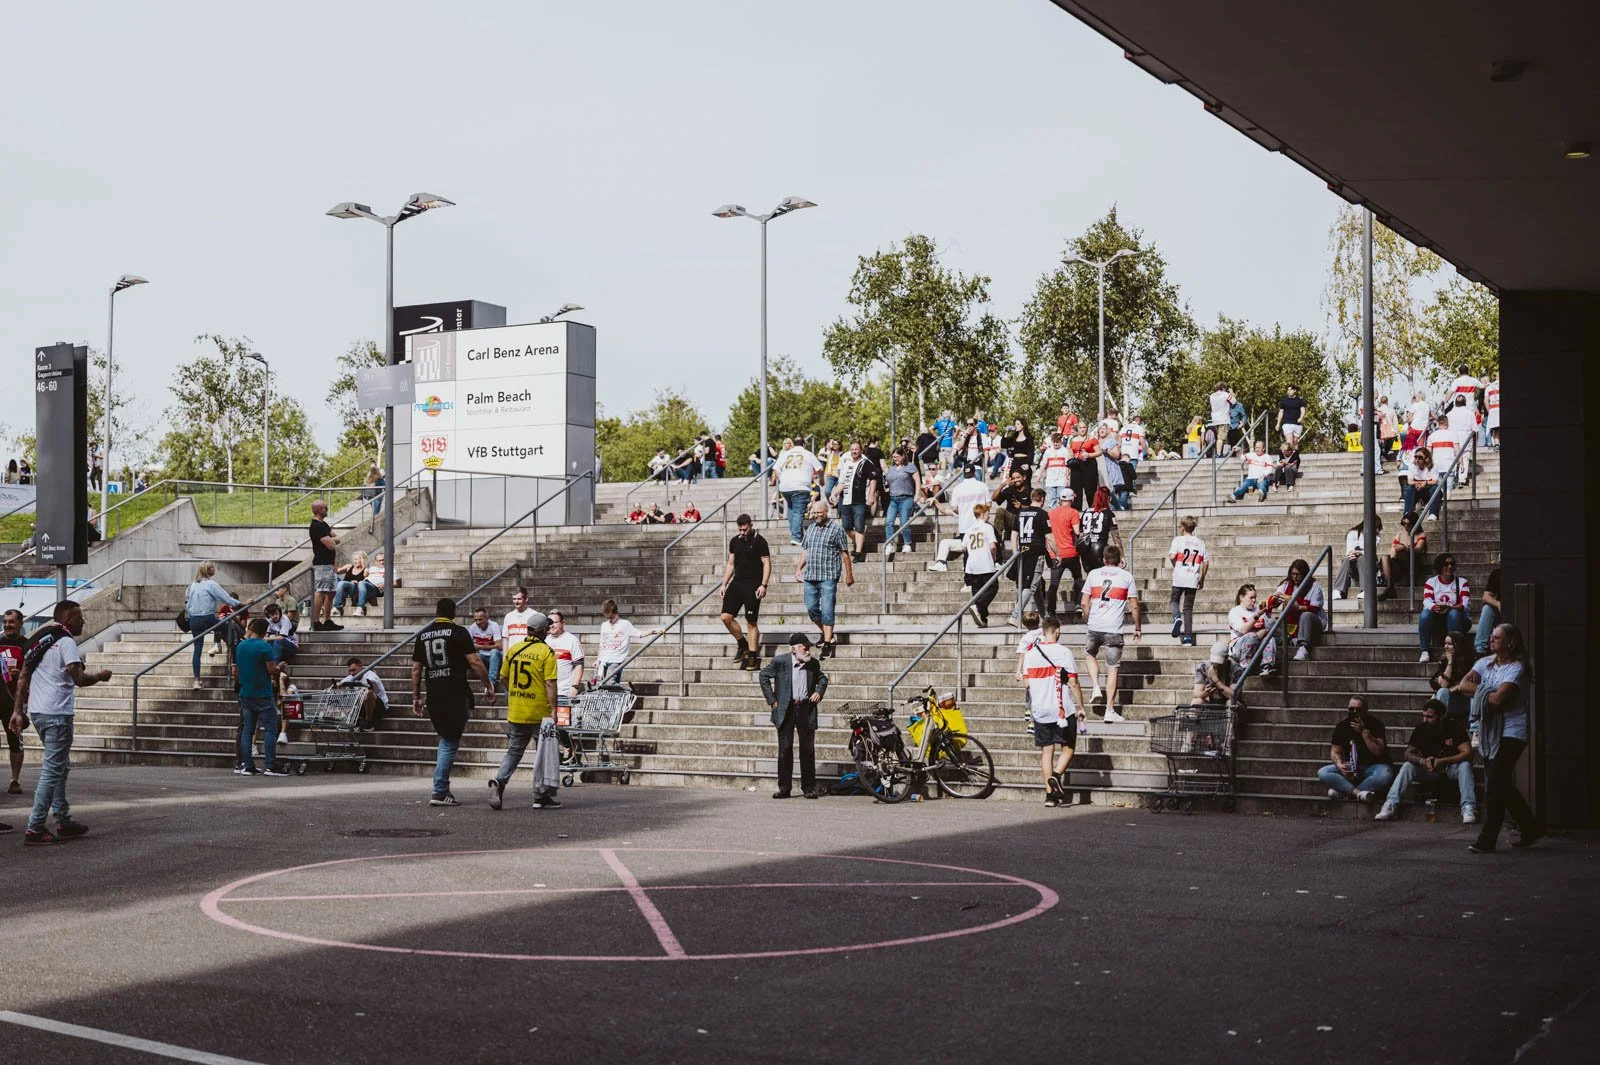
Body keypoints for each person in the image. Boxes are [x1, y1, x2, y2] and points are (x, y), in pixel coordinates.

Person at [10, 600, 111, 845]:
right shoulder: (65, 641)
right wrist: (100, 676)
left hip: (39, 713)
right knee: (52, 771)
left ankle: (63, 820)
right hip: (57, 714)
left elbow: (23, 675)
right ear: (66, 619)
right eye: (79, 617)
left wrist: (18, 711)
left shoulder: (40, 640)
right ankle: (35, 827)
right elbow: (79, 679)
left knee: (60, 768)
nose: (83, 621)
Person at [1459, 623, 1545, 853]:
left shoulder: (1517, 669)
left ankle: (1487, 840)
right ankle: (1531, 827)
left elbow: (1499, 700)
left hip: (1512, 732)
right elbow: (1462, 685)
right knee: (1502, 784)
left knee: (1495, 785)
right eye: (1491, 637)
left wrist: (1480, 692)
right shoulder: (1484, 663)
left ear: (1510, 642)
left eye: (1497, 637)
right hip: (1489, 732)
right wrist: (1487, 692)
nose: (1491, 640)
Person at [410, 597, 491, 807]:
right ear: (453, 613)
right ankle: (439, 790)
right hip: (455, 692)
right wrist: (488, 684)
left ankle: (441, 788)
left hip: (434, 694)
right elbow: (475, 661)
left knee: (446, 739)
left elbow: (416, 669)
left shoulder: (423, 635)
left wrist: (416, 696)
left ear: (437, 613)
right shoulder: (458, 632)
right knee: (449, 741)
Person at [490, 610, 562, 811]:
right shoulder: (546, 652)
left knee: (514, 751)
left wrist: (513, 692)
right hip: (540, 712)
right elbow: (550, 683)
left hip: (517, 710)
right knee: (543, 754)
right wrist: (554, 710)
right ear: (542, 632)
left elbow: (503, 676)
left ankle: (499, 781)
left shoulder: (514, 649)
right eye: (546, 629)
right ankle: (540, 795)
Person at [1372, 698, 1477, 822]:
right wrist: (1422, 761)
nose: (1425, 720)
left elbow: (1468, 752)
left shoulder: (1454, 727)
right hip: (1428, 769)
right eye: (1424, 716)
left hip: (1450, 768)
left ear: (1441, 716)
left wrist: (1443, 761)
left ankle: (1468, 807)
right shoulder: (1421, 728)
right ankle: (1390, 804)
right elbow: (1408, 753)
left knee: (1464, 766)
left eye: (1430, 717)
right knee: (1407, 766)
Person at [1022, 616, 1086, 807]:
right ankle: (1056, 776)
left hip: (1040, 709)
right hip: (1062, 710)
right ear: (1057, 631)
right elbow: (1073, 682)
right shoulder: (1063, 652)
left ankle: (1050, 797)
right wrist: (1081, 706)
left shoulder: (1031, 653)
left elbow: (1026, 683)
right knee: (1068, 746)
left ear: (1043, 631)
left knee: (1046, 751)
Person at [758, 633, 829, 799]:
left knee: (807, 750)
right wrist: (772, 700)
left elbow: (823, 678)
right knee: (785, 749)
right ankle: (784, 788)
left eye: (808, 648)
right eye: (804, 648)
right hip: (786, 709)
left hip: (805, 708)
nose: (807, 651)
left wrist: (819, 691)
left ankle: (809, 788)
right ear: (794, 649)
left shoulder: (812, 664)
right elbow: (763, 676)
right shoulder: (781, 661)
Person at [1080, 543, 1140, 721]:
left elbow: (1084, 602)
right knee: (1113, 668)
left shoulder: (1093, 574)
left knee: (1090, 653)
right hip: (1114, 628)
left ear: (1104, 559)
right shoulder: (1126, 576)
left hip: (1095, 624)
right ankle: (1110, 710)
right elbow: (1134, 605)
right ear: (1120, 559)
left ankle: (1096, 686)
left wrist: (1087, 617)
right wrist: (1137, 627)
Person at [796, 501, 853, 657]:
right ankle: (828, 634)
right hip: (811, 576)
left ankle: (827, 642)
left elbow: (845, 553)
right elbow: (805, 551)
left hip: (828, 576)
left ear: (826, 512)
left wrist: (849, 574)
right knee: (811, 608)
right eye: (814, 513)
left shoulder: (836, 530)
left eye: (818, 513)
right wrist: (799, 568)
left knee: (827, 609)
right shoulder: (811, 529)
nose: (815, 516)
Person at [232, 618, 287, 777]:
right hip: (262, 693)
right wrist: (280, 668)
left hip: (245, 692)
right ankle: (270, 765)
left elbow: (235, 672)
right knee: (270, 729)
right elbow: (272, 670)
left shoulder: (240, 646)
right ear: (264, 632)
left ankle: (247, 765)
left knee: (248, 730)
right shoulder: (264, 646)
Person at [1315, 696, 1394, 803]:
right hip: (1351, 767)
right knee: (1323, 772)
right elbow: (1335, 751)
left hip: (1373, 767)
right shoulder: (1342, 726)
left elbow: (1378, 751)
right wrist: (1339, 764)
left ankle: (1345, 792)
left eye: (1358, 709)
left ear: (1365, 710)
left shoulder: (1375, 724)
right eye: (1351, 709)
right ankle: (1358, 794)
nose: (1354, 712)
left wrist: (1364, 733)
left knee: (1385, 774)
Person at [719, 514, 772, 671]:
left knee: (751, 621)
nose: (742, 532)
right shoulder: (735, 541)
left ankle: (753, 656)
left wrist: (764, 585)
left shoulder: (760, 541)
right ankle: (742, 643)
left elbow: (767, 564)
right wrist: (724, 584)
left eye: (744, 529)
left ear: (751, 525)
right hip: (737, 583)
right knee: (725, 617)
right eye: (739, 529)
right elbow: (730, 563)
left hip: (753, 585)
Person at [185, 562, 241, 689]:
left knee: (197, 649)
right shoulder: (211, 584)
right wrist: (242, 603)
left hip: (194, 619)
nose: (214, 569)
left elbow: (187, 604)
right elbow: (227, 599)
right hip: (207, 617)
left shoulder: (192, 585)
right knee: (229, 627)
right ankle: (229, 653)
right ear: (207, 570)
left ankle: (197, 681)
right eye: (212, 567)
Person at [927, 465, 991, 572]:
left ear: (963, 474)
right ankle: (941, 563)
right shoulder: (982, 486)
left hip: (968, 532)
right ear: (974, 473)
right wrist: (935, 501)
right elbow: (988, 504)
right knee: (945, 543)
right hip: (977, 532)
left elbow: (953, 508)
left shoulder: (958, 489)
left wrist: (935, 501)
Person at [1267, 558, 1327, 662]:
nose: (1295, 577)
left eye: (1298, 574)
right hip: (1290, 622)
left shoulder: (1314, 586)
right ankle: (1289, 640)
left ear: (1304, 574)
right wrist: (1275, 600)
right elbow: (1274, 604)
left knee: (1305, 616)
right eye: (1293, 574)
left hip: (1311, 620)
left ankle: (1303, 648)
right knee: (1270, 622)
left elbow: (1315, 608)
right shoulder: (1286, 584)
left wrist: (1299, 607)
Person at [829, 440, 880, 562]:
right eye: (852, 449)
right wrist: (834, 493)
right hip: (846, 500)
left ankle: (858, 552)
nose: (854, 451)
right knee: (846, 526)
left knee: (859, 527)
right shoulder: (847, 464)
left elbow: (873, 479)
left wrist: (871, 496)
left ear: (861, 450)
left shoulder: (865, 463)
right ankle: (860, 543)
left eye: (856, 449)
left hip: (859, 501)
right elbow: (841, 482)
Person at [1418, 553, 1470, 663]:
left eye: (1452, 564)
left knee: (1453, 613)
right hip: (1438, 619)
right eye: (1446, 564)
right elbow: (1427, 601)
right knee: (1424, 614)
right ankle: (1424, 650)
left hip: (1459, 620)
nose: (1450, 567)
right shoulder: (1431, 582)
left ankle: (1454, 651)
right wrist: (1435, 607)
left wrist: (1449, 607)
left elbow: (1464, 604)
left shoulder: (1462, 582)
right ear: (1439, 567)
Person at [1011, 489, 1053, 622]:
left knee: (1037, 586)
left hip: (1023, 551)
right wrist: (1057, 554)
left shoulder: (1021, 512)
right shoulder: (1042, 514)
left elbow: (1014, 534)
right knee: (1031, 586)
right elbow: (1049, 537)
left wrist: (1014, 551)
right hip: (1036, 552)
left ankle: (1044, 615)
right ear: (1042, 499)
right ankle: (1015, 615)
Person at [772, 437, 823, 546]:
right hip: (801, 486)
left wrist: (782, 478)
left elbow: (775, 469)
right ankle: (796, 537)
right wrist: (822, 480)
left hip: (785, 487)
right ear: (804, 444)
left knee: (791, 508)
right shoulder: (808, 454)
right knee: (799, 511)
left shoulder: (786, 453)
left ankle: (793, 532)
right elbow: (820, 469)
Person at [958, 502, 1000, 628]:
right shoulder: (987, 527)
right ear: (982, 514)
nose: (989, 516)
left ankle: (983, 618)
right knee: (993, 587)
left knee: (977, 592)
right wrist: (994, 557)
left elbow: (964, 548)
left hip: (972, 565)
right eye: (987, 514)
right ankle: (979, 607)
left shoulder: (969, 529)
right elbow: (993, 546)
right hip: (985, 563)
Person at [1167, 516, 1208, 645]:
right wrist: (1202, 578)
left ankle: (1177, 617)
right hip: (1192, 577)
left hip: (1179, 575)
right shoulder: (1200, 542)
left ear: (1183, 528)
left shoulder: (1178, 540)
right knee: (1188, 608)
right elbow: (1206, 562)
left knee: (1174, 601)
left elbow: (1172, 556)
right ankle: (1188, 638)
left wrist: (1175, 564)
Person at [0, 610, 27, 798]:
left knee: (14, 741)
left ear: (20, 623)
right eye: (5, 622)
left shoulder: (27, 645)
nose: (8, 625)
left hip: (13, 701)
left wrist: (21, 674)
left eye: (11, 622)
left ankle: (14, 780)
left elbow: (34, 671)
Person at [1045, 492, 1084, 618]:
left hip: (1055, 554)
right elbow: (1077, 531)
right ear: (1072, 499)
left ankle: (1051, 610)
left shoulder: (1050, 513)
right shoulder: (1073, 512)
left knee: (1053, 584)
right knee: (1078, 578)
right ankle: (1078, 604)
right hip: (1070, 552)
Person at [1227, 584, 1278, 676]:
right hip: (1238, 647)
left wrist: (1271, 608)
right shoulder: (1235, 611)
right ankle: (1245, 666)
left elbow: (1268, 628)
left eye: (1255, 597)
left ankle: (1267, 667)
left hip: (1256, 645)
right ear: (1242, 597)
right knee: (1251, 635)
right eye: (1251, 598)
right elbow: (1243, 630)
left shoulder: (1258, 610)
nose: (1254, 600)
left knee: (1270, 638)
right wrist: (1257, 616)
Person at [308, 500, 343, 632]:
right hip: (322, 564)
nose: (327, 509)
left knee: (332, 591)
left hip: (329, 564)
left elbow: (336, 539)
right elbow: (331, 544)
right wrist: (330, 539)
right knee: (321, 591)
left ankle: (327, 620)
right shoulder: (316, 526)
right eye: (324, 508)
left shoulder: (324, 525)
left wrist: (330, 539)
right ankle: (316, 622)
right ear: (318, 510)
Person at [1332, 516, 1383, 600]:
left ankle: (1365, 589)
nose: (1376, 530)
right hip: (1353, 562)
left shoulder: (1376, 536)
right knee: (1346, 560)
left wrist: (1359, 552)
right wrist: (1353, 554)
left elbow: (1371, 551)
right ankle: (1337, 590)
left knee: (1362, 558)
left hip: (1368, 563)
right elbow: (1349, 549)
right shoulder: (1353, 533)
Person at [1431, 631, 1476, 722]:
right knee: (1442, 691)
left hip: (1467, 699)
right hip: (1452, 700)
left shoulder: (1471, 660)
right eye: (1445, 643)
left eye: (1450, 644)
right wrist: (1450, 663)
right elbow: (1443, 685)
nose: (1446, 647)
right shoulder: (1444, 660)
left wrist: (1456, 688)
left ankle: (1475, 729)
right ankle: (1439, 724)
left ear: (1458, 645)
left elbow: (1472, 685)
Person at [335, 656, 389, 732]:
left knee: (369, 693)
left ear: (361, 667)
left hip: (379, 707)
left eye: (354, 670)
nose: (352, 673)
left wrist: (368, 685)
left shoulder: (370, 674)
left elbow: (372, 684)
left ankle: (369, 723)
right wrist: (337, 686)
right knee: (343, 692)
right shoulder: (352, 677)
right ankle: (350, 720)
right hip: (362, 707)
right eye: (350, 671)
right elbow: (339, 684)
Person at [544, 610, 586, 707]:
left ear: (563, 623)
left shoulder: (572, 640)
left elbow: (579, 665)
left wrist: (575, 687)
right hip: (547, 692)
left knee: (563, 721)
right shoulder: (544, 640)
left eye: (555, 622)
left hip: (564, 692)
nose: (552, 625)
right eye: (549, 623)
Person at [882, 449, 920, 556]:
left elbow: (917, 480)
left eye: (897, 457)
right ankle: (890, 543)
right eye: (893, 457)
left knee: (904, 522)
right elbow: (888, 480)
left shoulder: (910, 466)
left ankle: (907, 543)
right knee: (889, 521)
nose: (895, 459)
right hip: (893, 498)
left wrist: (917, 494)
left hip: (906, 497)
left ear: (903, 456)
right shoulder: (892, 468)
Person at [1077, 487, 1118, 573]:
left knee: (1091, 577)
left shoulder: (1086, 512)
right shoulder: (1108, 513)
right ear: (1108, 498)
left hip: (1086, 549)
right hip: (1100, 548)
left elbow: (1081, 533)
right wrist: (1122, 555)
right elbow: (1116, 538)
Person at [262, 603, 299, 694]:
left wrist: (267, 638)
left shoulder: (285, 619)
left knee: (277, 641)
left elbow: (282, 637)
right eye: (272, 614)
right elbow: (266, 636)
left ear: (279, 612)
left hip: (291, 644)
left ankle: (275, 668)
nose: (274, 616)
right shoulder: (269, 621)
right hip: (278, 646)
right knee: (267, 643)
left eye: (276, 613)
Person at [467, 608, 503, 696]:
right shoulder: (473, 627)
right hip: (482, 656)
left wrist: (480, 646)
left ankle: (490, 682)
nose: (478, 622)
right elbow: (467, 645)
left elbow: (499, 645)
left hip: (495, 657)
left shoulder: (494, 626)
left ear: (487, 618)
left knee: (494, 652)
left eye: (480, 619)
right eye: (475, 620)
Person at [1192, 641, 1236, 707]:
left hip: (1232, 703)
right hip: (1211, 703)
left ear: (1227, 657)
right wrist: (1205, 693)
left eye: (1219, 663)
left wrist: (1215, 680)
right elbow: (1196, 694)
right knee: (1196, 702)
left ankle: (1228, 717)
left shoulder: (1235, 668)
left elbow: (1233, 695)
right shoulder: (1203, 667)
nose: (1216, 665)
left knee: (1231, 703)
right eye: (1213, 662)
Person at [1403, 444, 1439, 520]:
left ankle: (1433, 514)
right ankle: (1407, 513)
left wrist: (1425, 483)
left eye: (1420, 458)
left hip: (1429, 490)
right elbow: (1409, 481)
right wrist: (1418, 484)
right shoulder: (1412, 466)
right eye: (1415, 457)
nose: (1417, 460)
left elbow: (1435, 481)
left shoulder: (1433, 466)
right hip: (1418, 489)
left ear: (1426, 459)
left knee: (1435, 488)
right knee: (1410, 489)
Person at [1039, 432, 1073, 509]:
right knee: (1051, 499)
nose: (1055, 444)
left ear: (1061, 441)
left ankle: (1060, 514)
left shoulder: (1065, 451)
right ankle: (1054, 514)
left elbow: (1068, 466)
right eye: (1054, 442)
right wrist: (1039, 476)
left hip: (1062, 479)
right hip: (1050, 480)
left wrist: (1068, 478)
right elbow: (1043, 464)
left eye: (1057, 442)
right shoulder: (1048, 451)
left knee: (1061, 498)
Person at [332, 550, 371, 616]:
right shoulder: (349, 566)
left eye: (357, 559)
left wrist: (355, 583)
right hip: (343, 588)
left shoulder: (366, 570)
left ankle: (336, 607)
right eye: (354, 559)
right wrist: (334, 563)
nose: (354, 561)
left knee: (342, 583)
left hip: (354, 590)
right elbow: (336, 571)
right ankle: (334, 601)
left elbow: (365, 581)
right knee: (335, 576)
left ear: (362, 560)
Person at [501, 587, 537, 658]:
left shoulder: (534, 615)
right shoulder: (508, 616)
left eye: (519, 599)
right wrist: (504, 657)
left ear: (526, 599)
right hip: (512, 655)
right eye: (514, 599)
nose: (516, 602)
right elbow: (505, 638)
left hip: (528, 656)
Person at [1474, 564, 1501, 655]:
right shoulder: (1498, 573)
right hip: (1501, 611)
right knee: (1487, 608)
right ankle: (1480, 651)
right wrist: (1498, 604)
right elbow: (1486, 597)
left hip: (1521, 609)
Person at [1206, 382, 1231, 452]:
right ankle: (1218, 453)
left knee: (1218, 437)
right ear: (1223, 388)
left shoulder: (1212, 396)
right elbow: (1234, 402)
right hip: (1224, 419)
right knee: (1221, 438)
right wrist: (1231, 393)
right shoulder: (1226, 394)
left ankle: (1219, 452)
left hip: (1215, 419)